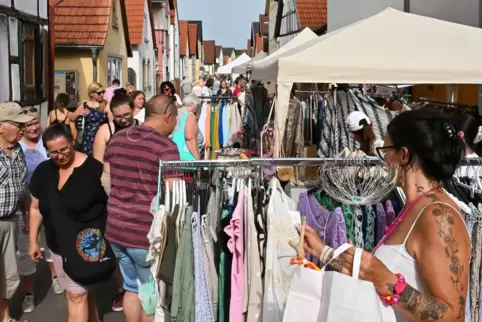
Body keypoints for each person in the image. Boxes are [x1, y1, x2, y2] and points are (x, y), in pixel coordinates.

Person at [303, 107, 470, 322]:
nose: (383, 159)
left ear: (403, 155)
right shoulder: (415, 207)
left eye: (386, 150)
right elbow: (377, 272)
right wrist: (323, 251)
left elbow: (453, 316)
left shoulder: (438, 216)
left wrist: (387, 281)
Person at [102, 95, 181, 322]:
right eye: (175, 120)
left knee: (131, 287)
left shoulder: (116, 139)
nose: (175, 126)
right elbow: (174, 195)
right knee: (151, 289)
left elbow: (106, 180)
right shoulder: (165, 147)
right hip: (144, 233)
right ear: (168, 116)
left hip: (116, 227)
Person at [28, 124, 108, 322]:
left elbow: (110, 204)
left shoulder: (93, 169)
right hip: (57, 245)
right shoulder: (43, 171)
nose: (60, 156)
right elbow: (35, 208)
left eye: (64, 149)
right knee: (81, 293)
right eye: (53, 153)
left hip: (86, 245)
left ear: (72, 142)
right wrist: (32, 241)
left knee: (76, 295)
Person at [16, 107, 64, 314]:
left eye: (35, 121)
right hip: (26, 207)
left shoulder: (49, 141)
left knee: (52, 243)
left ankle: (56, 277)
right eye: (28, 124)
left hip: (52, 204)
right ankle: (29, 293)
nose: (34, 127)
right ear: (21, 127)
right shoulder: (17, 148)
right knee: (27, 249)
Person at [0, 102, 35, 322]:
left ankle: (4, 315)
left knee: (7, 274)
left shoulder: (19, 149)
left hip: (11, 220)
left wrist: (27, 214)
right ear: (1, 127)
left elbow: (21, 185)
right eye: (17, 124)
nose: (22, 128)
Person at [93, 88, 140, 163]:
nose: (123, 120)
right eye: (118, 116)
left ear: (133, 109)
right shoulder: (105, 131)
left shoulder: (142, 127)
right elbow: (98, 162)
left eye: (126, 115)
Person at [70, 82, 111, 156]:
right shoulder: (85, 105)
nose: (102, 94)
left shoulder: (105, 104)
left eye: (103, 92)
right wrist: (79, 113)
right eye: (99, 93)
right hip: (86, 140)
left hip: (100, 138)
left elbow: (111, 120)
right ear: (92, 94)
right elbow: (71, 118)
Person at [172, 94, 202, 160]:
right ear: (193, 105)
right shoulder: (190, 116)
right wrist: (197, 159)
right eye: (197, 106)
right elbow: (190, 138)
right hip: (187, 157)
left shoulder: (175, 112)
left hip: (173, 154)